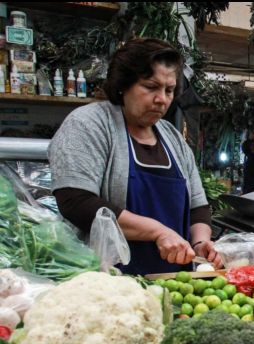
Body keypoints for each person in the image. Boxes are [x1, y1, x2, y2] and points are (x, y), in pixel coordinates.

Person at [49, 38, 221, 275]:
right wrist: (156, 231)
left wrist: (201, 242)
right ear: (123, 85)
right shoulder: (89, 124)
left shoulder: (172, 137)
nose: (162, 99)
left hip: (173, 281)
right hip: (108, 279)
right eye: (151, 87)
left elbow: (197, 207)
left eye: (169, 90)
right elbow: (75, 201)